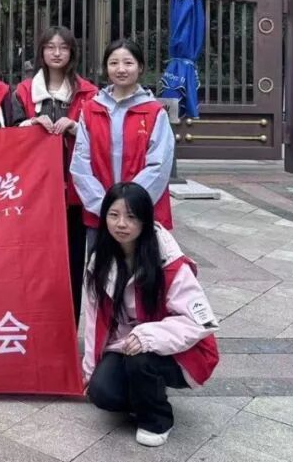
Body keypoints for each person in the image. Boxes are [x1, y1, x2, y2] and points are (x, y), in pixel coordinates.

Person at [83, 182, 219, 447]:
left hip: (181, 349)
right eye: (113, 215)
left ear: (145, 220)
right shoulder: (100, 260)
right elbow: (93, 320)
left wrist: (148, 336)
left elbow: (199, 322)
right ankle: (144, 392)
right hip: (126, 345)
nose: (121, 224)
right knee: (102, 393)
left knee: (141, 360)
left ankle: (157, 420)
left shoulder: (169, 263)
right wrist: (90, 371)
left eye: (131, 216)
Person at [14, 27, 98, 320]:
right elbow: (9, 133)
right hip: (34, 194)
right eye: (50, 47)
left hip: (74, 194)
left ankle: (68, 328)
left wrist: (75, 128)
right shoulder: (24, 92)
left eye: (63, 47)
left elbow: (101, 135)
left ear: (72, 52)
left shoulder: (88, 93)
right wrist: (31, 125)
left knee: (72, 262)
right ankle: (35, 325)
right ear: (42, 52)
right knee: (33, 262)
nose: (57, 53)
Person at [70, 38, 175, 231]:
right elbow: (80, 164)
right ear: (106, 68)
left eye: (128, 63)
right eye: (113, 63)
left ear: (140, 67)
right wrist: (104, 206)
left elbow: (159, 166)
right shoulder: (91, 110)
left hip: (141, 213)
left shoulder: (154, 112)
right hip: (100, 214)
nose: (121, 69)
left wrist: (130, 205)